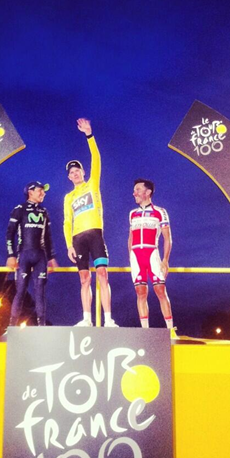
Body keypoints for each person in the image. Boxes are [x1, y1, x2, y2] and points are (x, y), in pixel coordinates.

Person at [63, 118, 117, 327]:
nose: (75, 174)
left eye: (77, 170)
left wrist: (89, 135)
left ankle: (109, 320)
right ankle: (86, 319)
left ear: (83, 172)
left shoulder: (93, 183)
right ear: (69, 177)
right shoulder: (68, 197)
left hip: (95, 234)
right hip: (78, 239)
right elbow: (67, 222)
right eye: (71, 173)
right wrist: (69, 245)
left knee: (102, 275)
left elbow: (96, 158)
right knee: (84, 279)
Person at [128, 179, 178, 337]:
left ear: (147, 192)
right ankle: (145, 333)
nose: (134, 193)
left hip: (152, 254)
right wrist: (130, 256)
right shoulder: (132, 214)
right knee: (140, 292)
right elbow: (130, 238)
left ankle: (170, 330)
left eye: (137, 189)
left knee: (160, 290)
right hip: (136, 256)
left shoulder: (160, 211)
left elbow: (167, 238)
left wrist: (165, 260)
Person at [6, 181, 58, 326]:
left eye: (44, 191)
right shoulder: (19, 209)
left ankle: (41, 327)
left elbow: (48, 237)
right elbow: (10, 233)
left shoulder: (44, 212)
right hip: (24, 255)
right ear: (30, 192)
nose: (43, 193)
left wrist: (52, 257)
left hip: (41, 257)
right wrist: (10, 255)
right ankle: (11, 327)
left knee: (40, 292)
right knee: (20, 291)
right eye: (40, 191)